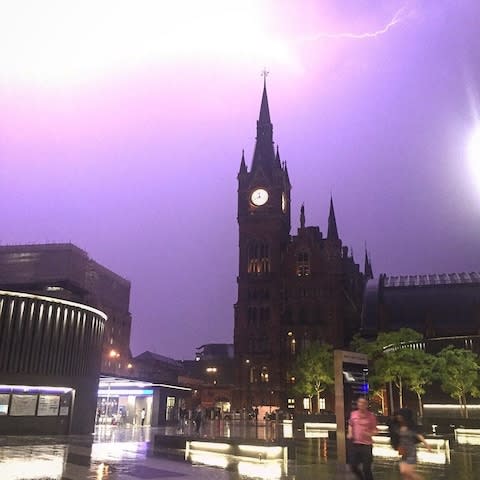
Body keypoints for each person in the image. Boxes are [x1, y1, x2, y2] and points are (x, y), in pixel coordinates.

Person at [390, 408, 431, 480]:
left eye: (400, 415)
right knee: (404, 473)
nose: (399, 417)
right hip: (403, 452)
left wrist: (427, 445)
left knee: (408, 472)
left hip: (411, 451)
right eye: (398, 415)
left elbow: (418, 435)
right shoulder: (397, 426)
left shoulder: (411, 427)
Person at [347, 396, 378, 480]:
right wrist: (350, 433)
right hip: (355, 444)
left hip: (366, 445)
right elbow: (350, 424)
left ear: (366, 405)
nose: (361, 404)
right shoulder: (353, 414)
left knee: (366, 468)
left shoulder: (371, 416)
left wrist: (370, 433)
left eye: (363, 403)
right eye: (359, 402)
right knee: (352, 466)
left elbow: (375, 430)